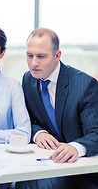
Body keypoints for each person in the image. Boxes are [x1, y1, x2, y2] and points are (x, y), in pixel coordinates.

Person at [16, 28, 98, 189]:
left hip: (80, 166)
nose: (33, 63)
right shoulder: (28, 79)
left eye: (41, 56)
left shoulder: (84, 85)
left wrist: (76, 147)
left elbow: (96, 132)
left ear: (57, 55)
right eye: (29, 55)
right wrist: (38, 133)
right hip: (47, 160)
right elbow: (26, 119)